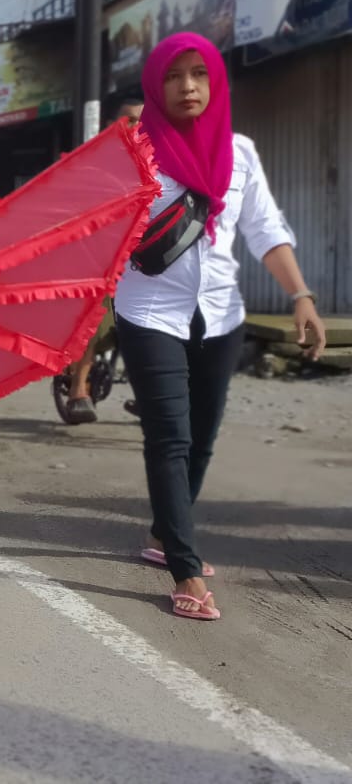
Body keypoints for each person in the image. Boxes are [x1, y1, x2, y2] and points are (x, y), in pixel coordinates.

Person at [118, 33, 324, 621]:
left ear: (215, 82)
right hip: (148, 311)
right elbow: (97, 230)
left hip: (221, 315)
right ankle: (184, 565)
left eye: (199, 74)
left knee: (202, 438)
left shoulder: (241, 153)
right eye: (175, 76)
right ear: (156, 87)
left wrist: (301, 295)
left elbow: (265, 229)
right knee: (170, 438)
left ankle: (163, 532)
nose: (187, 86)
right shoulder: (134, 153)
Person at [60, 95, 147, 424]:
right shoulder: (95, 167)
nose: (139, 127)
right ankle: (78, 389)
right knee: (94, 315)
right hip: (97, 259)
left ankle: (147, 392)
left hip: (144, 259)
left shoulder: (161, 166)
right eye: (131, 121)